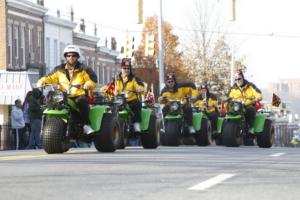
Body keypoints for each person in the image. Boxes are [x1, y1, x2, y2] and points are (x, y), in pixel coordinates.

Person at [37, 44, 97, 134]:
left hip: (78, 94)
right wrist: (41, 82)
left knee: (82, 101)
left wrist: (87, 85)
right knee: (49, 98)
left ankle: (86, 124)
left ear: (77, 57)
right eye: (68, 55)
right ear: (65, 57)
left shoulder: (84, 69)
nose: (71, 57)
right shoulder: (59, 69)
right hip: (63, 95)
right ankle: (47, 124)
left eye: (73, 55)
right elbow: (49, 77)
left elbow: (92, 80)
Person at [112, 58, 145, 132]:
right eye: (124, 68)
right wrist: (104, 90)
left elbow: (140, 85)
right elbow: (111, 87)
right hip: (119, 101)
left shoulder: (134, 78)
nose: (126, 70)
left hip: (131, 101)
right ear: (121, 69)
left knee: (137, 104)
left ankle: (136, 124)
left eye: (128, 68)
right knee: (109, 107)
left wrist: (139, 89)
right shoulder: (116, 79)